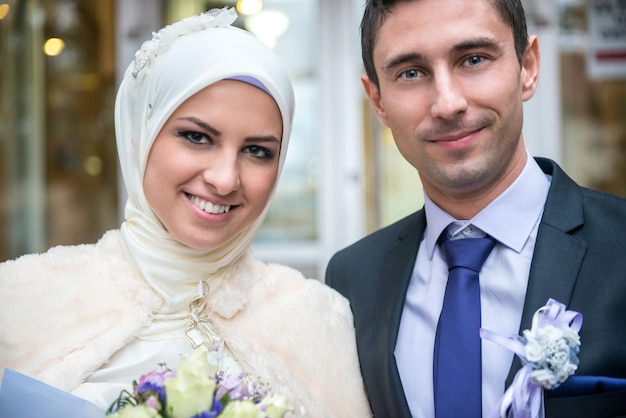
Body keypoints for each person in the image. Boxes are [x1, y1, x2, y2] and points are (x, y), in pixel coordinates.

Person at [0, 8, 372, 417]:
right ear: (141, 135)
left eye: (257, 151)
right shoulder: (21, 301)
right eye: (197, 137)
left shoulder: (315, 320)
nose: (225, 179)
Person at [325, 0, 626, 417]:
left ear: (528, 66)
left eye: (473, 59)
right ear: (377, 100)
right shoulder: (352, 278)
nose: (447, 104)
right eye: (411, 72)